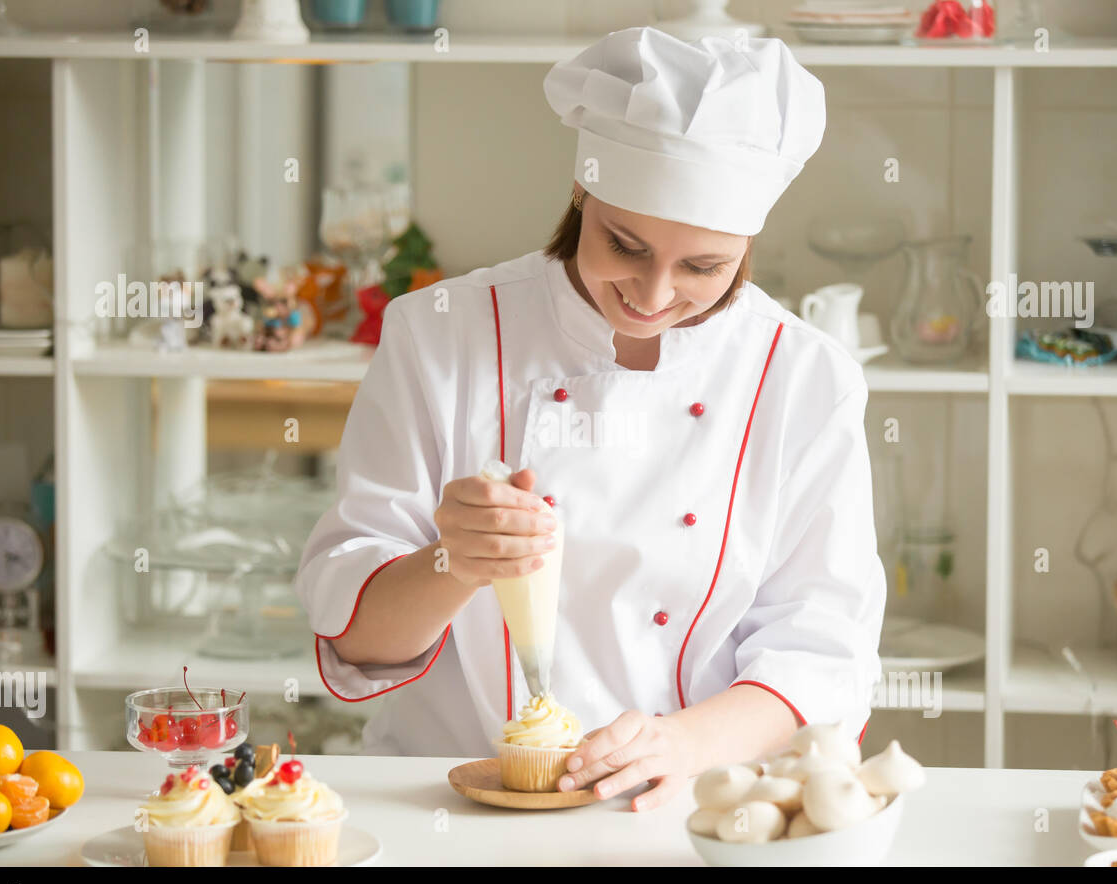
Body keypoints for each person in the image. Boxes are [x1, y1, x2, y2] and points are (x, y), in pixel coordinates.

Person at [294, 26, 885, 811]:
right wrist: (455, 564)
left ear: (748, 244)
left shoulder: (804, 378)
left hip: (686, 808)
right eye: (625, 245)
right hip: (449, 808)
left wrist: (684, 744)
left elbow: (823, 653)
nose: (652, 294)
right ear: (582, 195)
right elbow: (356, 637)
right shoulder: (440, 332)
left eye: (703, 267)